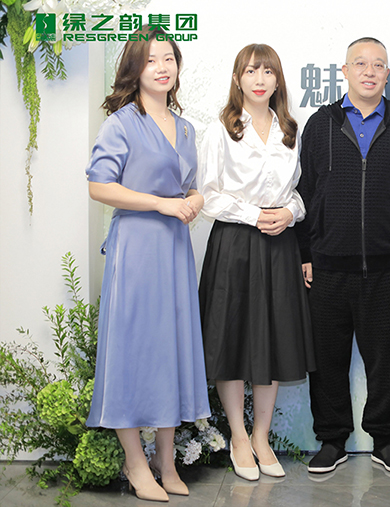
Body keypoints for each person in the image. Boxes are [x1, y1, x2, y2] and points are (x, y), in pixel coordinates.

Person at [85, 27, 210, 502]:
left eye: (169, 59)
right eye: (151, 59)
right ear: (135, 69)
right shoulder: (120, 123)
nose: (162, 67)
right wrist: (161, 204)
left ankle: (166, 459)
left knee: (171, 350)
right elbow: (100, 186)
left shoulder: (186, 128)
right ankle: (136, 464)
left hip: (175, 250)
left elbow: (190, 186)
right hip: (137, 249)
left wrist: (194, 198)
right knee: (134, 351)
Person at [295, 37, 390, 475]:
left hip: (387, 268)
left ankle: (385, 440)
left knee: (389, 360)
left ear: (387, 74)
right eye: (361, 64)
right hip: (327, 266)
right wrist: (304, 251)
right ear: (345, 71)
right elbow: (304, 193)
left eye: (378, 65)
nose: (369, 72)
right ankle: (332, 440)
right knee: (327, 360)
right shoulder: (321, 124)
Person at [197, 44, 315, 481]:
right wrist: (255, 215)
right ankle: (238, 437)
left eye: (268, 72)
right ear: (238, 79)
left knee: (275, 338)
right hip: (235, 244)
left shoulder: (290, 129)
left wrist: (290, 214)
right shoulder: (221, 130)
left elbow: (299, 191)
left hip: (280, 245)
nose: (260, 80)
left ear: (278, 79)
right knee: (230, 337)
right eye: (251, 71)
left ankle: (261, 436)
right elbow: (207, 195)